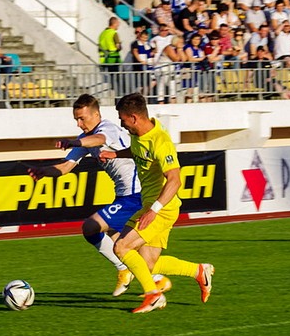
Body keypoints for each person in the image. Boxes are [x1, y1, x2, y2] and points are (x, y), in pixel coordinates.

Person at [98, 93, 214, 313]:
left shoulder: (160, 140)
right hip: (150, 204)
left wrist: (154, 210)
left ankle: (153, 296)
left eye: (122, 119)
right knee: (147, 263)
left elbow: (175, 179)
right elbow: (138, 151)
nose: (122, 124)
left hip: (162, 208)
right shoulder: (139, 134)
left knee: (121, 247)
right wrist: (115, 155)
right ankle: (199, 271)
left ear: (133, 117)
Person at [28, 94, 142, 294]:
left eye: (82, 119)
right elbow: (65, 166)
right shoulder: (85, 139)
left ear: (96, 114)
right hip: (125, 195)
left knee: (91, 227)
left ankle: (124, 270)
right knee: (123, 245)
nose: (79, 124)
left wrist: (73, 143)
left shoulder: (107, 129)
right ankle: (188, 273)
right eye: (76, 120)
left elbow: (99, 139)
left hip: (137, 194)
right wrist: (43, 171)